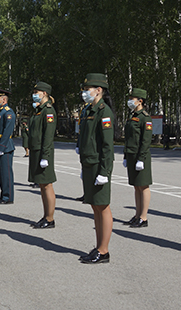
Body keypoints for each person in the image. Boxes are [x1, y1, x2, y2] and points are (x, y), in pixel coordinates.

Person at [77, 73, 115, 264]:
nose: (84, 93)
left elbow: (108, 146)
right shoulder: (88, 110)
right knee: (95, 207)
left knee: (103, 206)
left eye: (87, 89)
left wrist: (104, 172)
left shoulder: (103, 111)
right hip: (89, 163)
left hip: (99, 165)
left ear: (98, 90)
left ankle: (104, 250)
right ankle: (99, 246)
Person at [28, 82, 57, 229]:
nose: (34, 94)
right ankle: (45, 215)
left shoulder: (48, 110)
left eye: (37, 92)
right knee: (42, 185)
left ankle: (50, 218)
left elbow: (48, 135)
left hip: (43, 152)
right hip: (36, 150)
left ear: (44, 93)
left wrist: (45, 155)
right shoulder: (38, 110)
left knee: (47, 185)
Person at [123, 88, 153, 228]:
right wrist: (125, 155)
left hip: (141, 156)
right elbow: (128, 138)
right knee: (136, 186)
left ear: (140, 101)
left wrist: (141, 158)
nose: (130, 101)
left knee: (143, 186)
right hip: (131, 154)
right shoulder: (132, 115)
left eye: (132, 98)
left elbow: (145, 141)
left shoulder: (144, 117)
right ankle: (137, 215)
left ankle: (143, 217)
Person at [0, 88, 16, 204]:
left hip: (5, 147)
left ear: (4, 100)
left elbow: (7, 131)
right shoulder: (1, 112)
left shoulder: (8, 112)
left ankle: (8, 196)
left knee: (6, 173)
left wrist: (1, 147)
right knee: (0, 173)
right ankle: (3, 194)